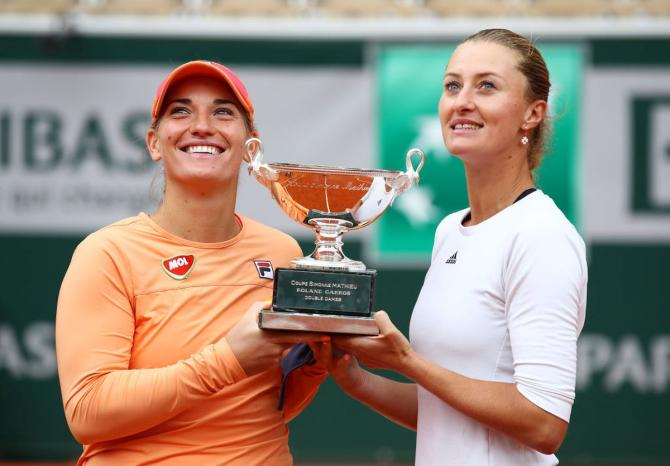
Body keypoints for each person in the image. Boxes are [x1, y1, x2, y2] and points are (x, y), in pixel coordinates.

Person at [312, 29, 588, 466]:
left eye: (487, 86)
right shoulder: (448, 230)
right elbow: (451, 413)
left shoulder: (542, 236)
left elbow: (544, 423)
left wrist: (405, 360)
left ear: (532, 114)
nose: (462, 100)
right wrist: (357, 381)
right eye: (452, 85)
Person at [56, 60, 327, 465]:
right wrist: (227, 361)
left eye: (222, 112)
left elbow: (272, 404)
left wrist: (319, 362)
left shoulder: (282, 252)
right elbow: (88, 412)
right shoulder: (107, 254)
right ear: (154, 142)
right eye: (181, 111)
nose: (201, 126)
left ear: (251, 145)